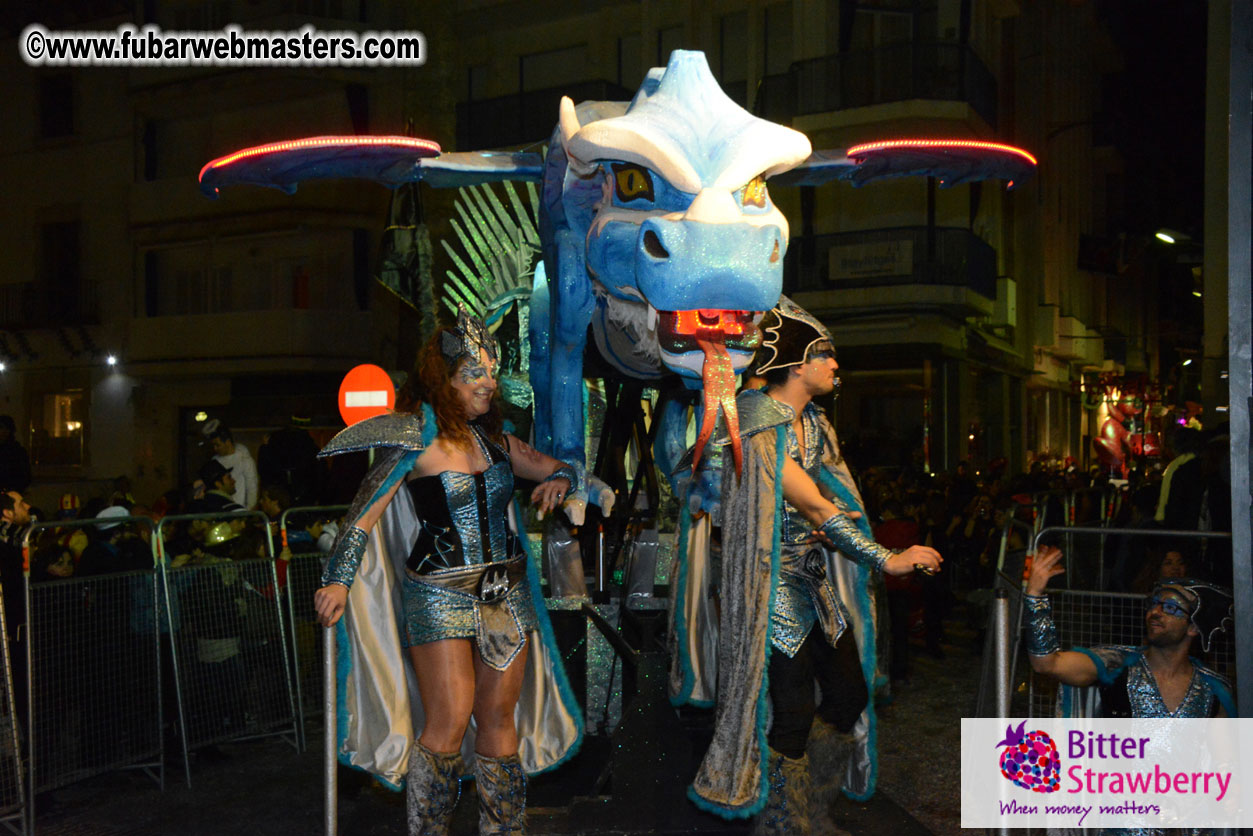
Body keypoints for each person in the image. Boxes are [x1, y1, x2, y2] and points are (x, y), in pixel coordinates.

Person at [674, 298, 942, 833]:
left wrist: (852, 536)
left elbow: (838, 501)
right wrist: (888, 559)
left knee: (848, 694)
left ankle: (808, 805)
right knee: (793, 710)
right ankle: (782, 823)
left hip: (812, 578)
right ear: (798, 363)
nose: (836, 366)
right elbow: (817, 504)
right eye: (828, 355)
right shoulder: (754, 419)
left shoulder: (816, 424)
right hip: (767, 584)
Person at [313, 309, 583, 835]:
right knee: (450, 719)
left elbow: (557, 466)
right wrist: (339, 579)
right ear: (445, 381)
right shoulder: (414, 438)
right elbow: (363, 515)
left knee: (500, 721)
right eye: (473, 374)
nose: (488, 383)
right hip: (438, 593)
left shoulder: (496, 442)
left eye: (491, 371)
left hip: (506, 594)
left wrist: (563, 480)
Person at [1025, 545, 1234, 719]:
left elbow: (1226, 761)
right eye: (1154, 604)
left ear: (1193, 627)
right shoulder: (1115, 666)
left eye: (1170, 607)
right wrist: (1035, 597)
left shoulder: (1211, 689)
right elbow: (1046, 664)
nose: (1156, 612)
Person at [208, 423, 259, 510]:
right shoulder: (214, 460)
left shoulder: (244, 458)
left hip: (239, 509)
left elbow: (252, 488)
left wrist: (248, 510)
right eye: (213, 445)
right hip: (221, 509)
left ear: (227, 442)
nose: (215, 448)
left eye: (218, 445)